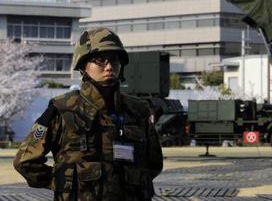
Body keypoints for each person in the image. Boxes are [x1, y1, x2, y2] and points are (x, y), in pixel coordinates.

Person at [14, 28, 163, 200]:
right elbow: (25, 161)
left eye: (114, 60)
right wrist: (64, 182)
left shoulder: (136, 110)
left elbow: (154, 163)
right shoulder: (62, 109)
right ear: (83, 64)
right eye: (100, 59)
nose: (109, 66)